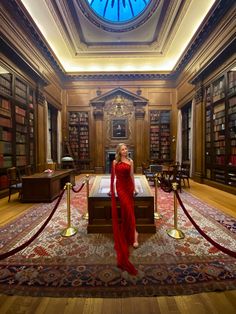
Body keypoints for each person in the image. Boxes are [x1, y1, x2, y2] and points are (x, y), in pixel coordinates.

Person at [108, 143, 139, 275]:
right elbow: (113, 178)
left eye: (126, 149)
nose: (125, 151)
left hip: (129, 186)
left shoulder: (131, 161)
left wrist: (135, 188)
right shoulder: (115, 162)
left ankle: (135, 233)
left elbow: (132, 176)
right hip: (120, 188)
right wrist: (111, 189)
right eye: (123, 149)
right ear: (119, 152)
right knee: (126, 208)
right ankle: (134, 232)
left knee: (130, 210)